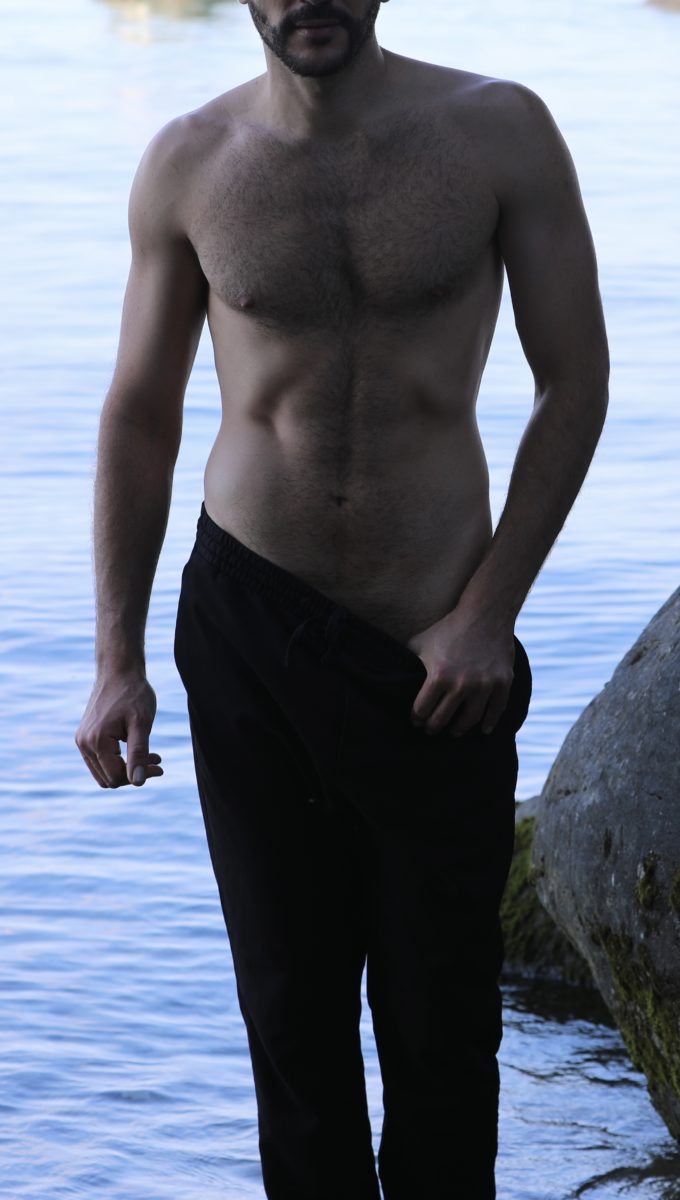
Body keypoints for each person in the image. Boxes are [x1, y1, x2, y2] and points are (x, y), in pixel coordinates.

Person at [75, 1, 609, 1195]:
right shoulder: (190, 161)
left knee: (442, 1026)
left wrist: (488, 612)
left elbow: (572, 383)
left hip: (437, 647)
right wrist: (116, 659)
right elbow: (140, 414)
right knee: (292, 1023)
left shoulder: (497, 132)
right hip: (249, 628)